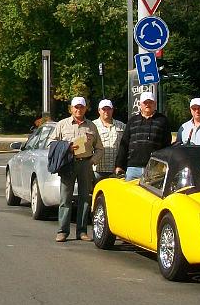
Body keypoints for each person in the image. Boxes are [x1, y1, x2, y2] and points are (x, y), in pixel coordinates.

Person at [49, 96, 104, 243]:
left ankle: (82, 231)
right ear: (71, 109)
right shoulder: (62, 125)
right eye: (76, 107)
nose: (78, 109)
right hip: (68, 163)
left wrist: (92, 161)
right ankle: (62, 231)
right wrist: (67, 147)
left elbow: (99, 148)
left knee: (85, 199)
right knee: (65, 198)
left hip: (85, 164)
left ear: (85, 108)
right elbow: (51, 144)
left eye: (81, 107)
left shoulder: (91, 126)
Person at [114, 91, 172, 181]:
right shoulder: (132, 121)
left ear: (155, 104)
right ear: (140, 104)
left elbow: (167, 145)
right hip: (132, 168)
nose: (147, 105)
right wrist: (119, 165)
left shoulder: (163, 121)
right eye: (145, 103)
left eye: (150, 102)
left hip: (154, 169)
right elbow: (124, 144)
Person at [92, 99, 125, 182]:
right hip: (97, 170)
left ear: (112, 110)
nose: (106, 111)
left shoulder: (121, 126)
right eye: (104, 109)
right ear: (99, 110)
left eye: (109, 109)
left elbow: (125, 146)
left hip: (115, 170)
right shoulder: (92, 125)